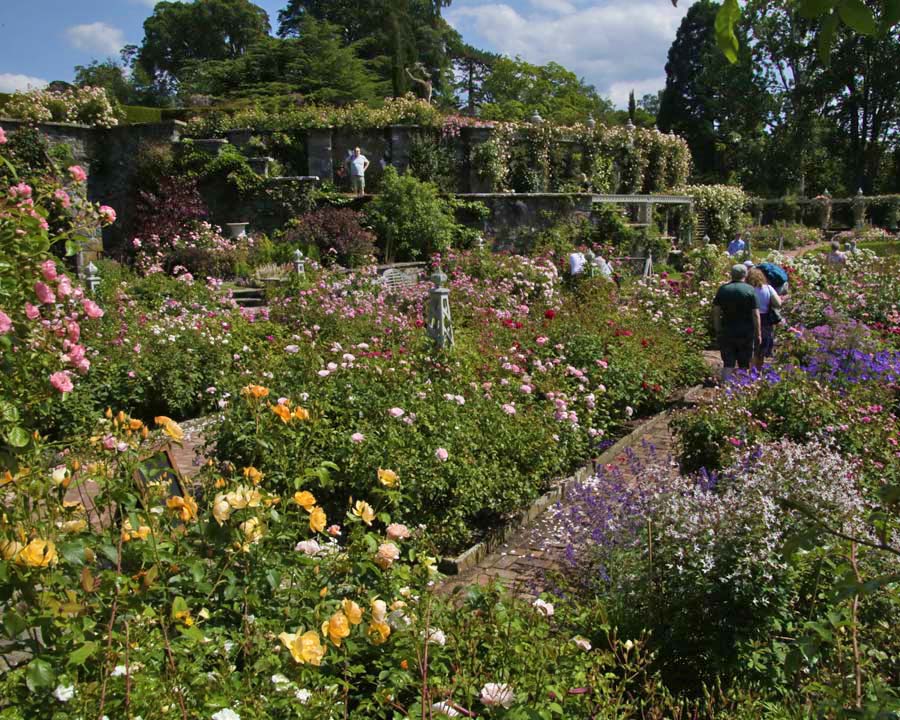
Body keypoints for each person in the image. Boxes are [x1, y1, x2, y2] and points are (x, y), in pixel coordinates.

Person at [712, 264, 761, 382]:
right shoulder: (750, 290)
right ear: (745, 274)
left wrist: (718, 329)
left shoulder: (723, 289)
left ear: (731, 274)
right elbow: (756, 314)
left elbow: (716, 312)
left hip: (727, 330)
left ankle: (724, 389)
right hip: (746, 332)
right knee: (744, 363)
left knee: (728, 363)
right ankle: (742, 389)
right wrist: (758, 333)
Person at [746, 267, 781, 368]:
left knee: (751, 345)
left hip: (750, 318)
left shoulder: (748, 289)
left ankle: (749, 369)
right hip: (765, 319)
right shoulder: (768, 288)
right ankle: (758, 370)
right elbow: (778, 303)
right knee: (762, 347)